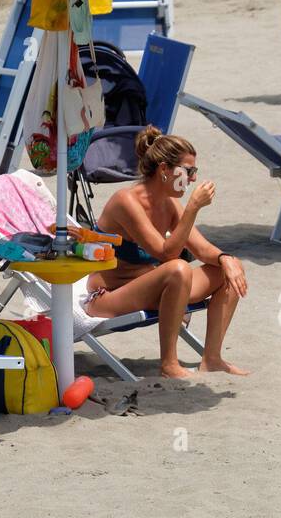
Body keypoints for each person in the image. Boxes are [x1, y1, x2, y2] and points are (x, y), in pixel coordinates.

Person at [82, 126, 249, 379]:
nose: (192, 179)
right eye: (188, 171)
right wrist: (192, 208)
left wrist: (226, 259)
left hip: (150, 288)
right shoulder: (125, 201)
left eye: (195, 172)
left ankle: (212, 358)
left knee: (228, 268)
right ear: (164, 170)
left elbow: (202, 249)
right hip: (108, 296)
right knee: (178, 269)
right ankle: (169, 364)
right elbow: (165, 253)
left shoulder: (168, 203)